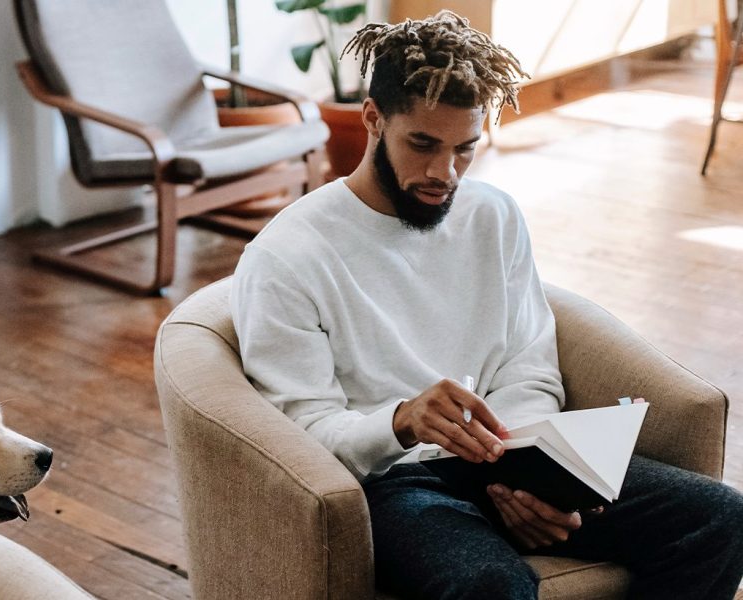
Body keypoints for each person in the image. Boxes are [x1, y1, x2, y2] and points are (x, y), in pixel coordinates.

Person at [229, 11, 743, 599]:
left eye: (464, 149)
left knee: (720, 518)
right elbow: (300, 434)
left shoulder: (492, 215)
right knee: (489, 586)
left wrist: (522, 480)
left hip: (509, 461)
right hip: (395, 482)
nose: (443, 174)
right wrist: (399, 420)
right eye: (422, 144)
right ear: (373, 119)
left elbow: (528, 361)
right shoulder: (287, 256)